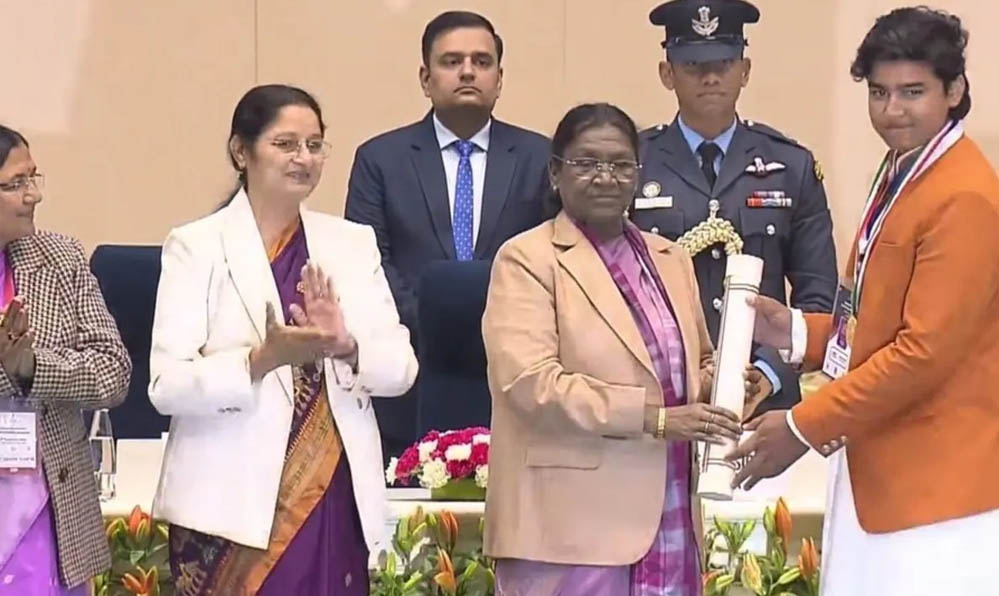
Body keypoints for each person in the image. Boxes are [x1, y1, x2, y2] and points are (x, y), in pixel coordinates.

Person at [729, 8, 999, 595]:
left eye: (912, 92)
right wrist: (796, 331)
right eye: (879, 93)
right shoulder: (906, 167)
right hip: (881, 469)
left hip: (937, 492)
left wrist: (799, 425)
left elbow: (922, 355)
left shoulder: (964, 195)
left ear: (955, 91)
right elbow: (877, 321)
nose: (892, 110)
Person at [149, 85, 417, 596]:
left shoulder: (351, 243)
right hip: (228, 507)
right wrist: (259, 360)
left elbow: (402, 369)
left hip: (330, 491)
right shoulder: (196, 246)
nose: (304, 158)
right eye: (286, 144)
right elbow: (166, 385)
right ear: (241, 151)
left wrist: (346, 344)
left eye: (314, 145)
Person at [482, 103, 751, 595]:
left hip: (669, 514)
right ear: (556, 173)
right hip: (570, 529)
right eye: (587, 163)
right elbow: (531, 384)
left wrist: (728, 381)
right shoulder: (526, 260)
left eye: (621, 164)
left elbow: (695, 363)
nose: (606, 178)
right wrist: (657, 420)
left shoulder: (670, 258)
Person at [344, 10, 550, 458]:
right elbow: (369, 263)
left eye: (482, 61)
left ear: (499, 78)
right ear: (426, 78)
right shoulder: (380, 159)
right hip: (411, 372)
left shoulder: (540, 157)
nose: (468, 72)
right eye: (452, 61)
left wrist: (499, 325)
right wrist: (439, 323)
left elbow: (553, 258)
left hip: (516, 376)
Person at [632, 0, 837, 419]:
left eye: (723, 64)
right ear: (667, 74)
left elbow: (819, 295)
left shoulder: (790, 165)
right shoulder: (634, 162)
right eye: (693, 65)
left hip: (764, 403)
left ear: (745, 71)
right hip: (664, 393)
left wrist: (770, 372)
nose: (710, 77)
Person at [0, 125, 131, 593]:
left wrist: (31, 368)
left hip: (50, 514)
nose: (33, 195)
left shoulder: (60, 258)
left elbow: (113, 372)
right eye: (15, 183)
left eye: (33, 178)